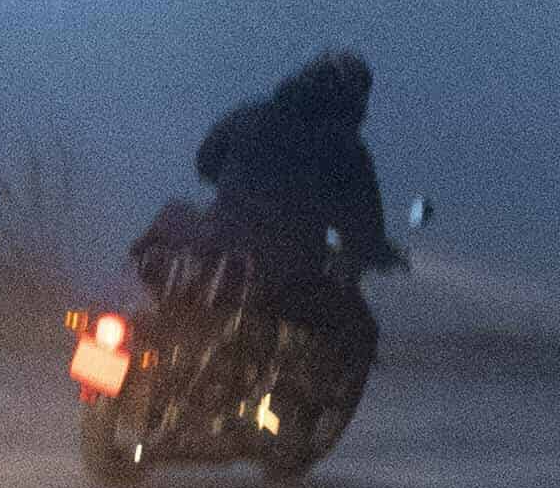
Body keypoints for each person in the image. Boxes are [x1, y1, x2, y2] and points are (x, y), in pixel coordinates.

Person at [163, 46, 403, 372]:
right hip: (289, 263)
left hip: (219, 239)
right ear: (354, 98)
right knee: (356, 330)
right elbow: (364, 223)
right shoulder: (349, 151)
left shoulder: (249, 115)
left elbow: (206, 163)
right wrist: (376, 250)